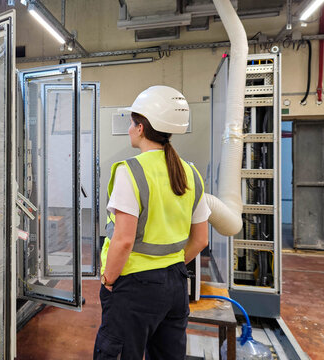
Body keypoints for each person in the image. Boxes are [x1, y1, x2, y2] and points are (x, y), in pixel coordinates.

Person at [93, 86, 210, 359]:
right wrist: (173, 267)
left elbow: (123, 240)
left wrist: (108, 279)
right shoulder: (190, 172)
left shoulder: (130, 171)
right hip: (177, 284)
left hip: (134, 286)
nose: (130, 129)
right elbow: (201, 239)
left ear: (141, 128)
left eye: (132, 123)